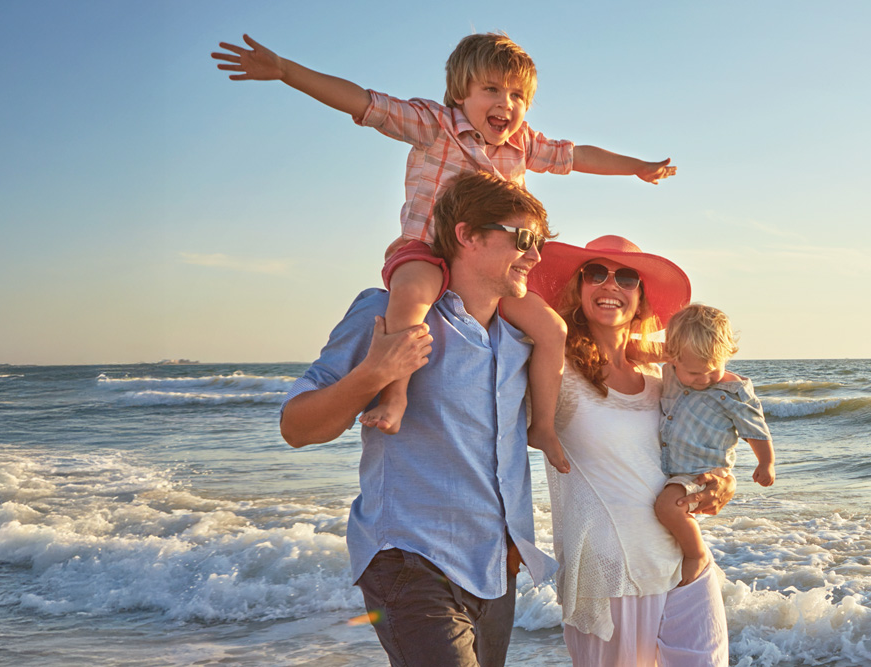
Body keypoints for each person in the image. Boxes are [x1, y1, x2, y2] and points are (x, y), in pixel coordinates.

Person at [213, 32, 677, 472]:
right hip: (428, 250)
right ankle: (396, 394)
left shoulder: (523, 144)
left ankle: (542, 426)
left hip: (491, 268)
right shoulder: (433, 124)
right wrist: (284, 70)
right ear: (460, 93)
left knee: (552, 329)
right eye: (491, 89)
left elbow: (578, 157)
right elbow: (362, 101)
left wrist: (637, 168)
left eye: (517, 95)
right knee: (412, 295)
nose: (505, 104)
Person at [279, 172, 557, 667]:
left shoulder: (521, 341)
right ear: (468, 235)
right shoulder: (385, 313)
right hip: (410, 559)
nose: (535, 255)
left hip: (494, 570)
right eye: (524, 239)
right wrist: (374, 374)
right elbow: (296, 428)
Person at [527, 235, 735, 666]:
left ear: (640, 297)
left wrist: (720, 477)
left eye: (626, 277)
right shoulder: (554, 364)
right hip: (609, 574)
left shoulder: (663, 378)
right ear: (577, 287)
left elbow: (702, 437)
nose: (611, 285)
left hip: (682, 562)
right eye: (595, 274)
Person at [653, 304, 775, 586]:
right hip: (671, 467)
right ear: (673, 358)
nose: (703, 380)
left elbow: (755, 428)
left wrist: (765, 462)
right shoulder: (668, 372)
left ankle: (695, 554)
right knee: (668, 511)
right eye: (694, 374)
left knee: (668, 508)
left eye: (712, 371)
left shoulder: (732, 392)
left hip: (701, 471)